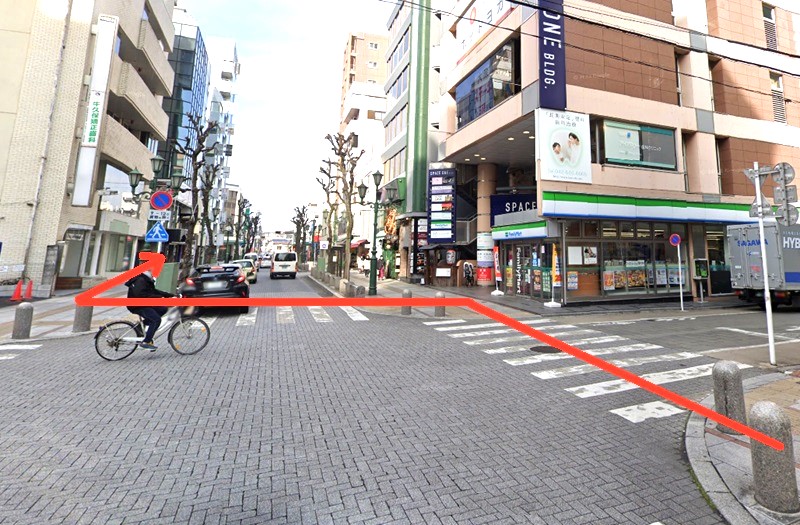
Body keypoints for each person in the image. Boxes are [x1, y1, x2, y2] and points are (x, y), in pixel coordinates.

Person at [125, 270, 175, 351]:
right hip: (137, 306)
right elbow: (141, 295)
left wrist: (169, 295)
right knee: (156, 320)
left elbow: (153, 291)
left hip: (142, 304)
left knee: (163, 309)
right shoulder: (140, 280)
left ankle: (140, 327)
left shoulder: (145, 279)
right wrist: (160, 298)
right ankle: (146, 342)